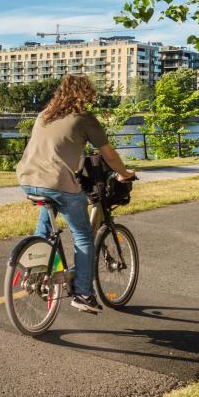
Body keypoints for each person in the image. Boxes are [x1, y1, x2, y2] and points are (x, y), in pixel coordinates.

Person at [16, 74, 135, 314]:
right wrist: (124, 173)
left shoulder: (45, 114)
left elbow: (56, 148)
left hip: (28, 179)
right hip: (57, 182)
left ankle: (37, 271)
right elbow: (109, 156)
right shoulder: (84, 119)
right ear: (86, 95)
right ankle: (83, 293)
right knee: (83, 235)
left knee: (46, 230)